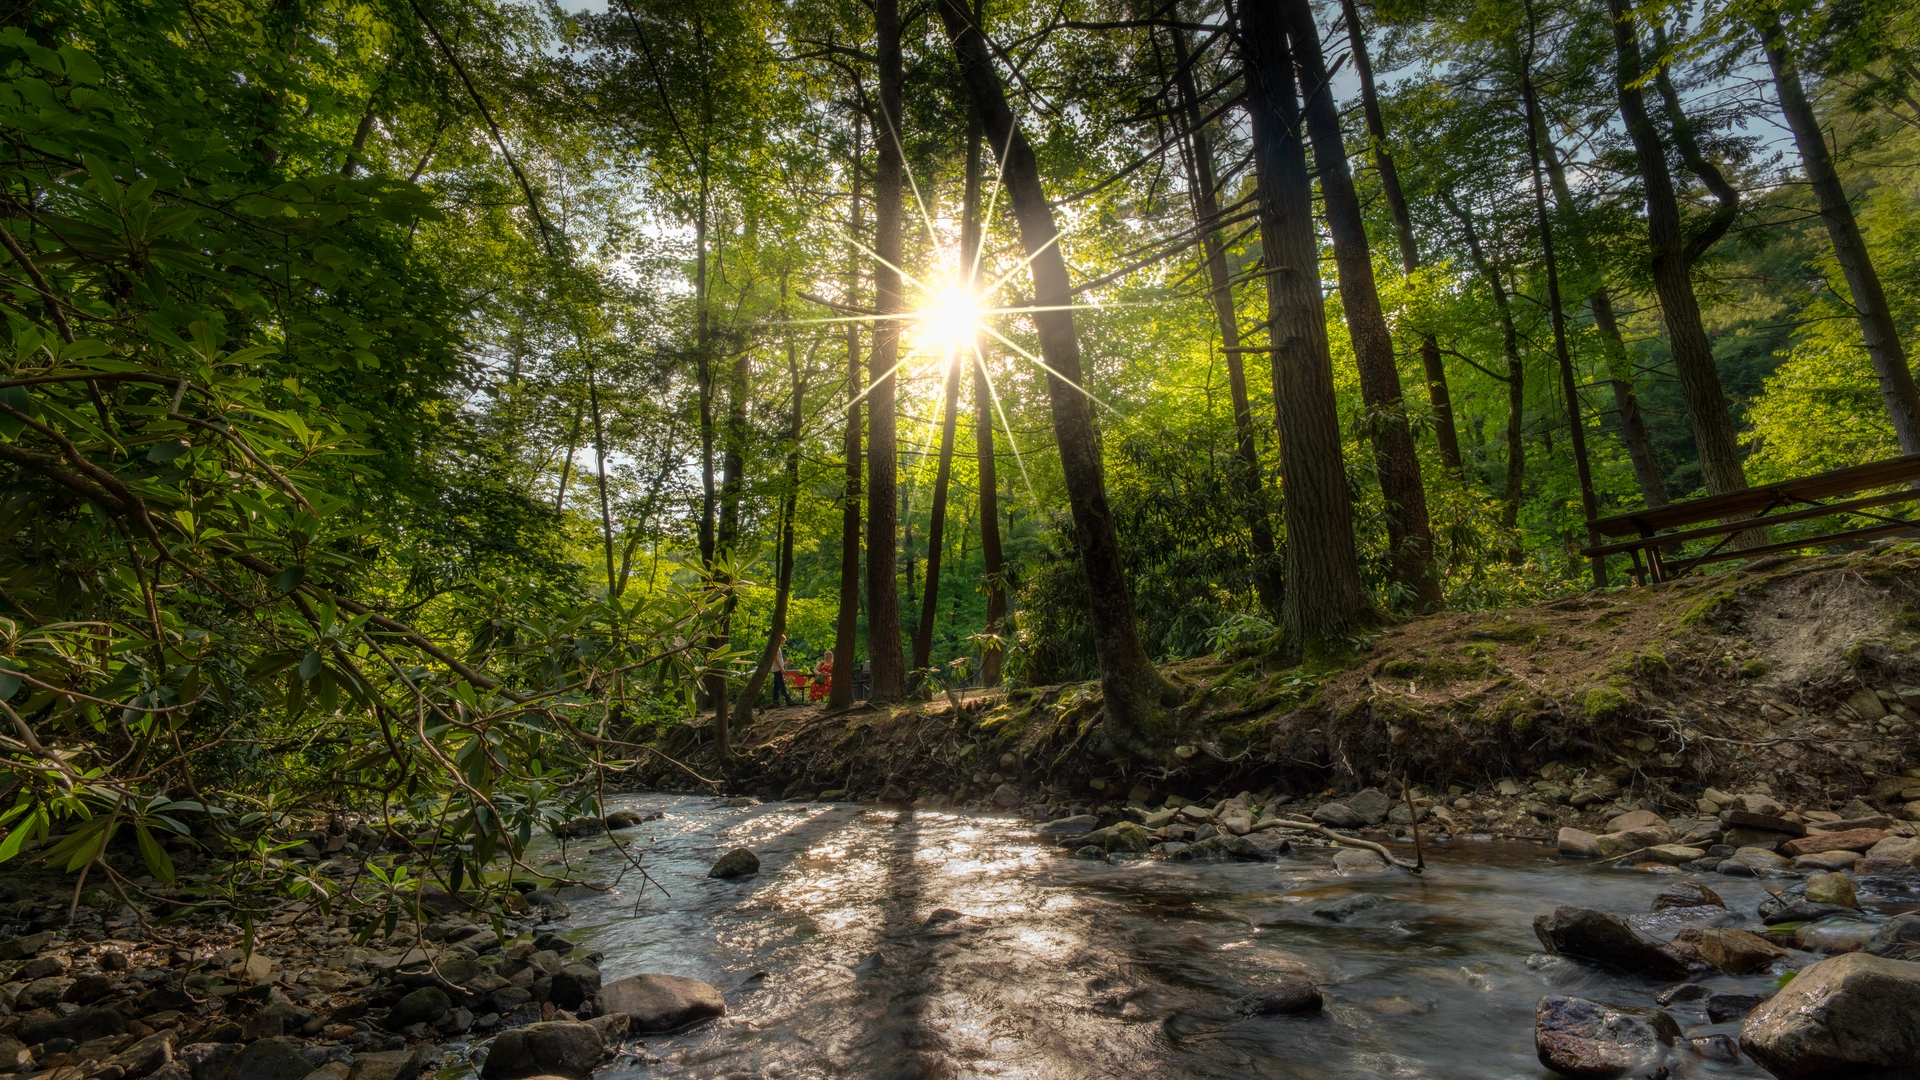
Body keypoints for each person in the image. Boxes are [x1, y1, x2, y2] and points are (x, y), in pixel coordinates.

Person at [769, 632, 795, 706]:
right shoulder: (776, 648)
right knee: (782, 685)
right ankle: (788, 699)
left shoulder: (777, 648)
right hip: (777, 669)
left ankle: (775, 700)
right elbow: (776, 659)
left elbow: (779, 660)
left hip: (777, 668)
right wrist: (781, 669)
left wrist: (784, 663)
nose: (784, 642)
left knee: (776, 686)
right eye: (783, 640)